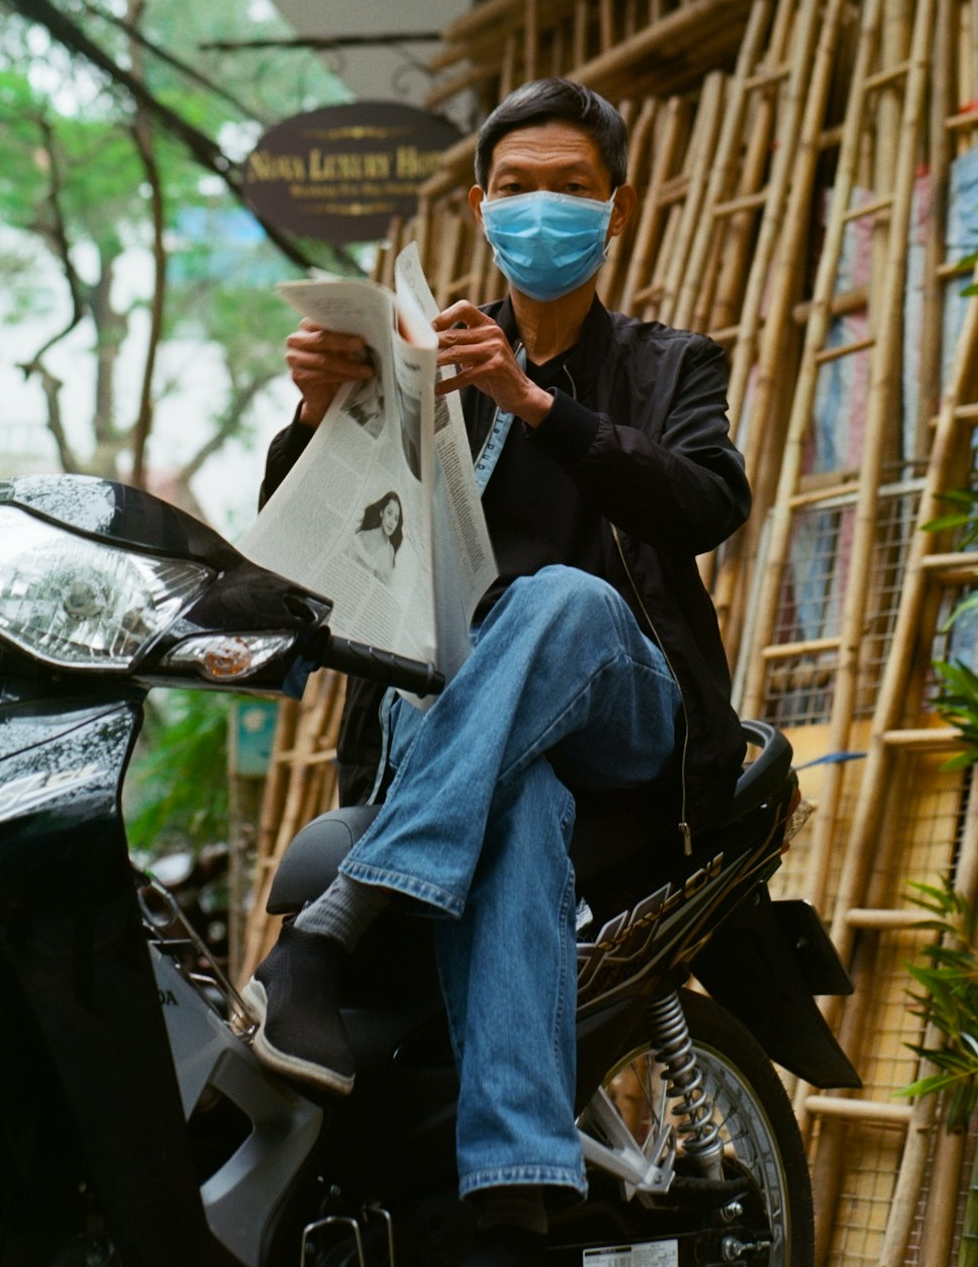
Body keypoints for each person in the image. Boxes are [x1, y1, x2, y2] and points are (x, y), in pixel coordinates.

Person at [248, 79, 750, 1266]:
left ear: (614, 207)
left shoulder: (670, 364)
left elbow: (706, 502)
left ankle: (337, 921)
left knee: (563, 599)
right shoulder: (424, 363)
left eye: (571, 187)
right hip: (468, 738)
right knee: (518, 805)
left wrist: (534, 404)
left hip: (625, 713)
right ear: (480, 205)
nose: (542, 209)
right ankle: (517, 1199)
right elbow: (313, 553)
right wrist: (320, 414)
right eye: (516, 188)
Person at [350, 490, 403, 584]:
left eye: (396, 518)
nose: (392, 522)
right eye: (389, 513)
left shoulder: (390, 551)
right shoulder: (365, 536)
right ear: (382, 512)